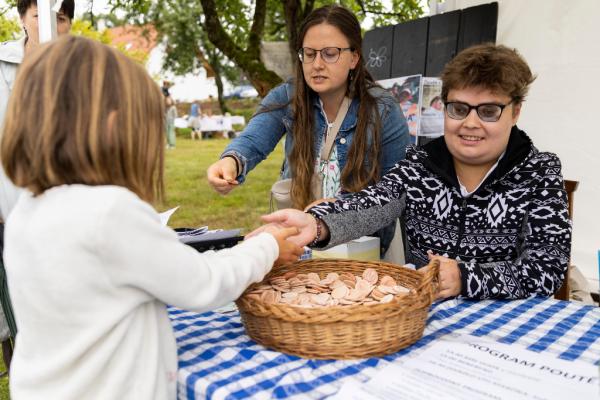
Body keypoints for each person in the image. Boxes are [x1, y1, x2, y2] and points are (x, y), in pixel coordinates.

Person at [0, 36, 303, 399]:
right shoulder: (108, 212)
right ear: (113, 127)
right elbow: (203, 283)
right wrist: (267, 246)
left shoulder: (27, 211)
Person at [255, 43, 572, 301]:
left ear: (515, 112)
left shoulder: (540, 173)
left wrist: (465, 278)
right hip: (424, 322)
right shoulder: (419, 165)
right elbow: (374, 203)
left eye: (489, 111)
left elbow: (547, 270)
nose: (471, 123)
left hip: (507, 327)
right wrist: (317, 223)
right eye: (459, 109)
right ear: (444, 107)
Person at [206, 5, 410, 255]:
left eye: (330, 53)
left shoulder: (383, 109)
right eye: (309, 54)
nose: (317, 64)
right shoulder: (288, 96)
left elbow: (397, 189)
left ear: (354, 57)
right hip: (299, 247)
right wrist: (231, 162)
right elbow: (253, 139)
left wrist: (335, 210)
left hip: (362, 251)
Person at [0, 0, 75, 374]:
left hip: (62, 211)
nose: (50, 25)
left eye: (61, 18)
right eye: (39, 15)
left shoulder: (80, 70)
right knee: (12, 314)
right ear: (21, 19)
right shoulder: (2, 65)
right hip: (7, 205)